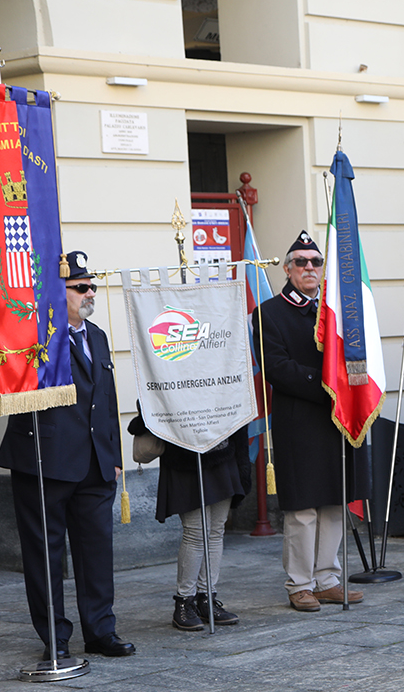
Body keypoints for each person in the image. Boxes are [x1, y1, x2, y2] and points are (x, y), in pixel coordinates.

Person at [0, 250, 134, 660]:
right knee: (45, 555)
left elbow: (105, 400)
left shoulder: (97, 336)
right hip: (46, 461)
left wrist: (114, 456)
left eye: (92, 285)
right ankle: (54, 637)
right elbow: (16, 387)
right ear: (59, 293)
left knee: (96, 551)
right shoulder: (34, 337)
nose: (90, 292)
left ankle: (100, 630)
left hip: (95, 463)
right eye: (80, 287)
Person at [254, 231, 363, 611]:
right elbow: (277, 368)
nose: (309, 268)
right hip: (299, 419)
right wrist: (327, 388)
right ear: (287, 269)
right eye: (301, 262)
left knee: (334, 501)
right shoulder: (268, 313)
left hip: (337, 420)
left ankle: (327, 578)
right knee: (302, 509)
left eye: (316, 262)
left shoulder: (335, 309)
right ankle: (299, 584)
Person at [128, 409, 248, 630]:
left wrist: (243, 463)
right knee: (196, 532)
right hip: (185, 457)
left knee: (215, 531)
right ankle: (184, 602)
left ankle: (207, 598)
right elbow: (147, 409)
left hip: (222, 452)